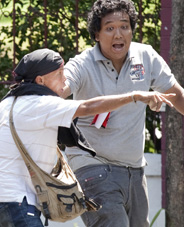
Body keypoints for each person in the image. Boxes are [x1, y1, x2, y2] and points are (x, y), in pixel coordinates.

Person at [0, 48, 175, 227]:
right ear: (40, 80)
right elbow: (88, 107)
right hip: (19, 202)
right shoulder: (42, 103)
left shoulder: (8, 102)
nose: (65, 78)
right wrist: (133, 96)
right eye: (59, 73)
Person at [62, 0, 184, 226]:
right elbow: (59, 89)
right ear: (97, 34)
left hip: (134, 171)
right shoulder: (82, 64)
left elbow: (178, 96)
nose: (118, 34)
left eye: (124, 26)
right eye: (109, 28)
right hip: (92, 166)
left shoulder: (145, 56)